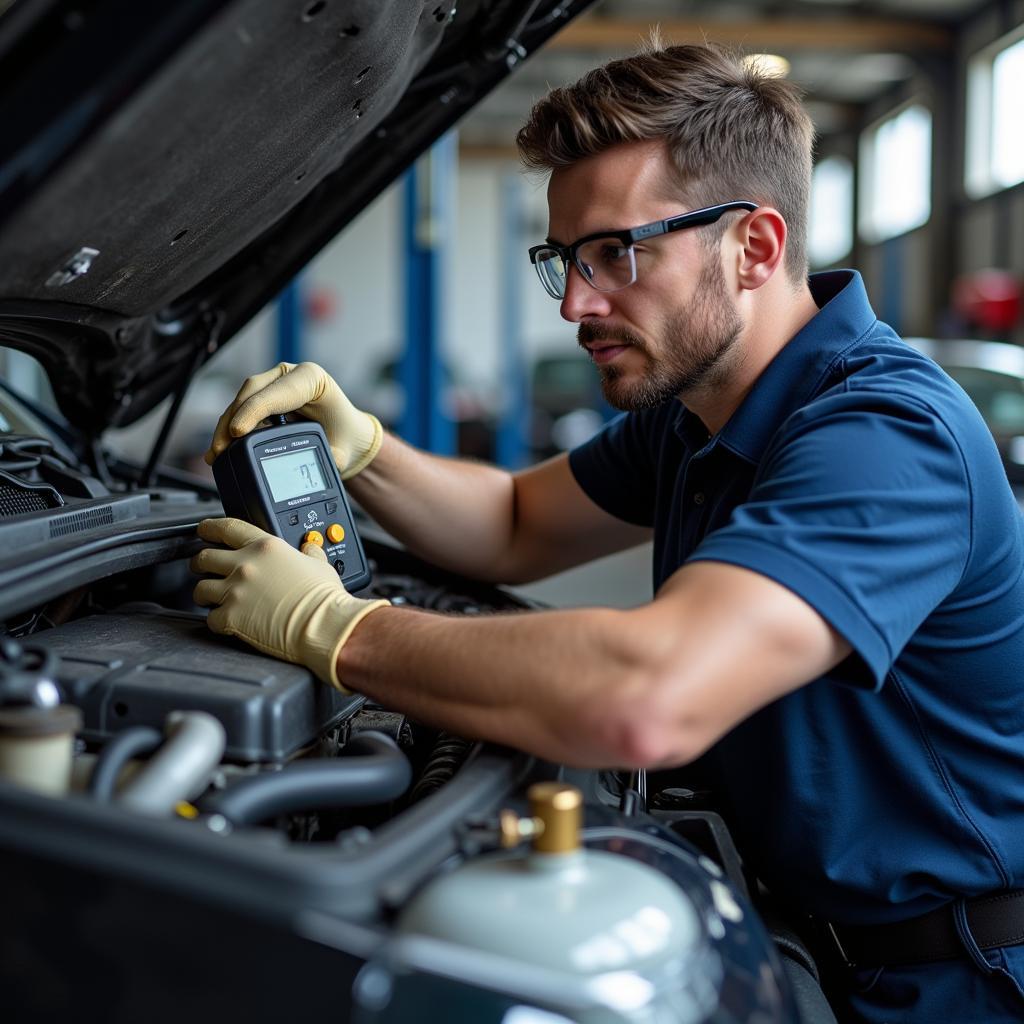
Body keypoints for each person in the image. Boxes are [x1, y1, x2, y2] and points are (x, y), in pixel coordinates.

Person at [191, 40, 1024, 1023]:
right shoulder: (695, 417)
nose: (579, 303)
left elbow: (647, 696)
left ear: (753, 248)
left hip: (959, 981)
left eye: (617, 253)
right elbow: (510, 524)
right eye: (566, 261)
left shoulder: (885, 438)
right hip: (811, 938)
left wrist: (338, 632)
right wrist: (365, 448)